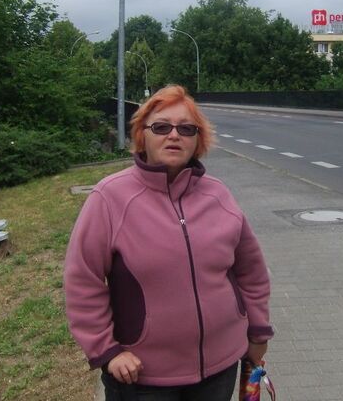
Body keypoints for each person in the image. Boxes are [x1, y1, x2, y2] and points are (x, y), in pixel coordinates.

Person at [64, 85, 273, 401]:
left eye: (186, 129)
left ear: (198, 140)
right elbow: (82, 279)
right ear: (142, 136)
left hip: (220, 368)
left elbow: (251, 272)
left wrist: (258, 332)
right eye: (161, 127)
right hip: (143, 378)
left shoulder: (219, 195)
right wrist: (106, 350)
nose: (174, 135)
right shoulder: (110, 197)